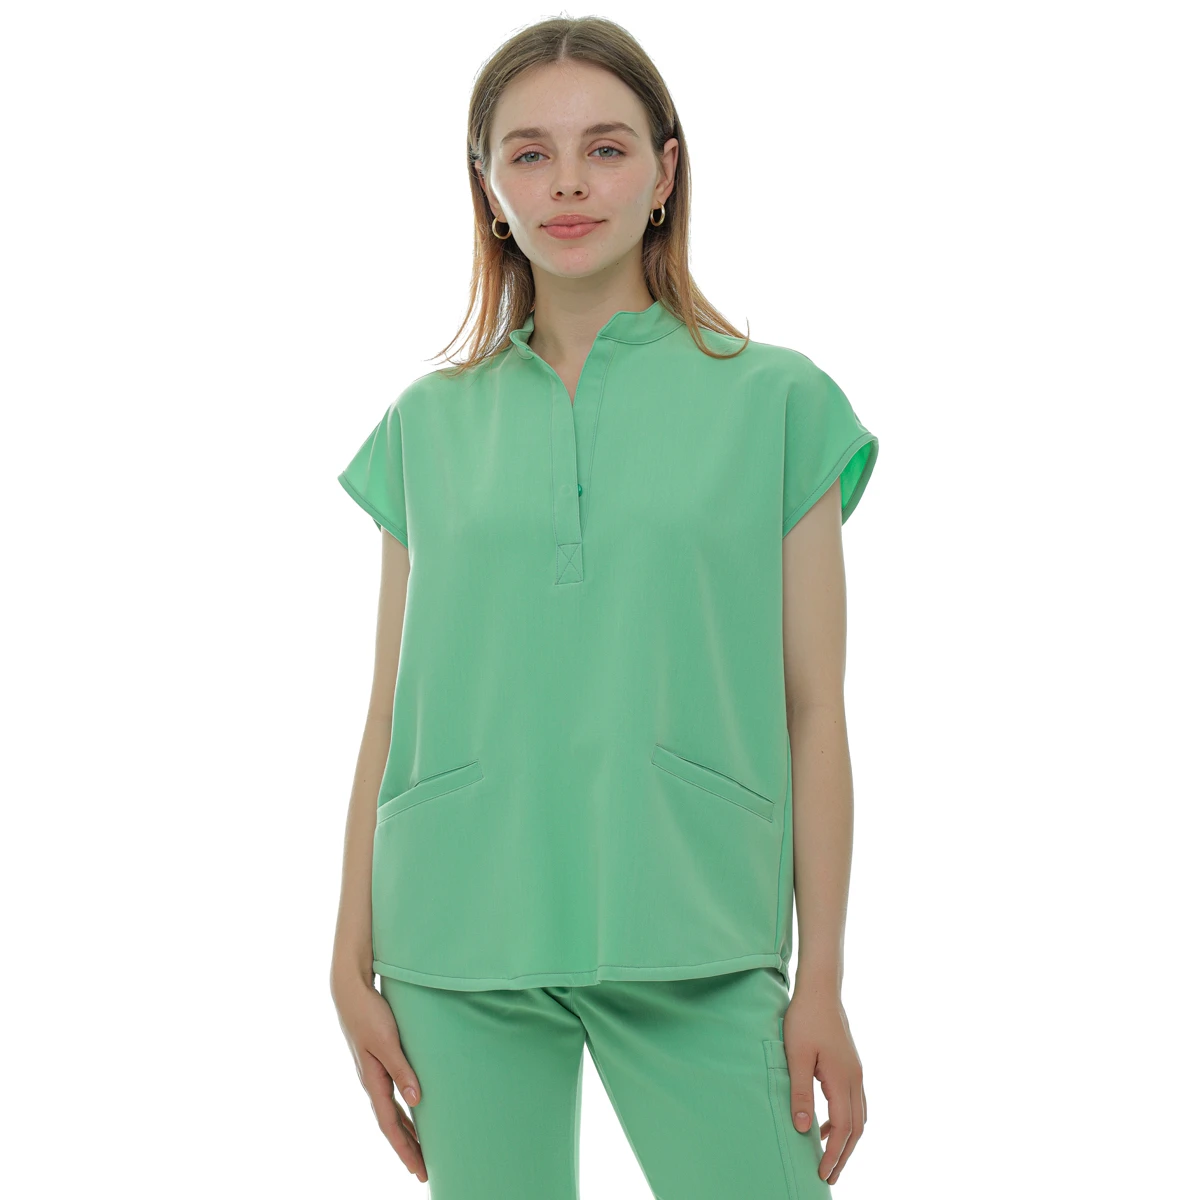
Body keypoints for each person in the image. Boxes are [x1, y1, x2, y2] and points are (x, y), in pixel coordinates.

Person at [330, 16, 878, 1198]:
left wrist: (823, 979)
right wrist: (345, 959)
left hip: (696, 918)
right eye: (529, 154)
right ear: (487, 187)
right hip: (456, 933)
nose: (568, 183)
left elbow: (815, 709)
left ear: (665, 172)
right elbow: (388, 709)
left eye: (607, 149)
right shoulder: (427, 425)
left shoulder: (780, 402)